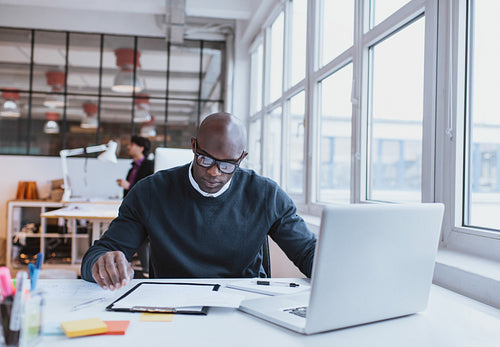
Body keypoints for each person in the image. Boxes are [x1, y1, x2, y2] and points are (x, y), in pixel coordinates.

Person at [81, 112, 316, 291]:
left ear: (242, 158)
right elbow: (99, 253)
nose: (214, 172)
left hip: (243, 304)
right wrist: (102, 263)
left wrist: (337, 274)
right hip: (172, 305)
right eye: (205, 159)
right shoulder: (150, 192)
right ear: (193, 146)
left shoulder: (266, 195)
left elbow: (308, 252)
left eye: (227, 165)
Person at [116, 135, 154, 277]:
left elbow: (147, 187)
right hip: (132, 207)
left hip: (144, 208)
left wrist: (128, 185)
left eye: (132, 145)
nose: (128, 147)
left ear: (141, 148)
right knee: (138, 237)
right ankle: (145, 270)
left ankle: (146, 270)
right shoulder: (133, 167)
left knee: (141, 237)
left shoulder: (149, 165)